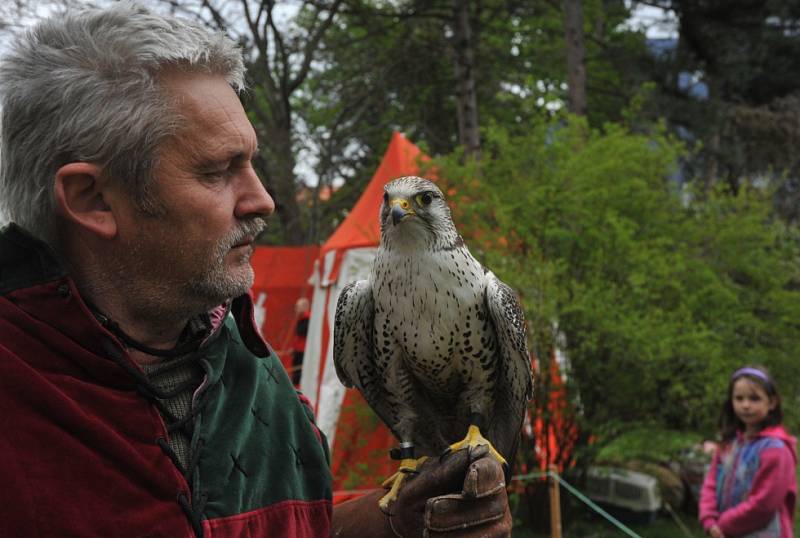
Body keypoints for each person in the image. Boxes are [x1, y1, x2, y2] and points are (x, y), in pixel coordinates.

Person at [0, 3, 512, 537]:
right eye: (217, 172)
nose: (262, 200)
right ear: (93, 199)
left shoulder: (248, 364)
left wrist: (398, 524)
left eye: (251, 162)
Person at [699, 366, 797, 538]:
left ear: (772, 402)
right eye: (739, 398)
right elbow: (711, 483)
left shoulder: (776, 450)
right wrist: (709, 519)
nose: (745, 405)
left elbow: (764, 503)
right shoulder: (729, 443)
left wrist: (723, 525)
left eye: (754, 398)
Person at [291, 297, 311, 386]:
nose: (296, 309)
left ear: (305, 307)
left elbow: (301, 333)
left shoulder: (307, 319)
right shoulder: (301, 319)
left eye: (298, 306)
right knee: (295, 373)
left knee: (298, 375)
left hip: (303, 352)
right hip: (298, 350)